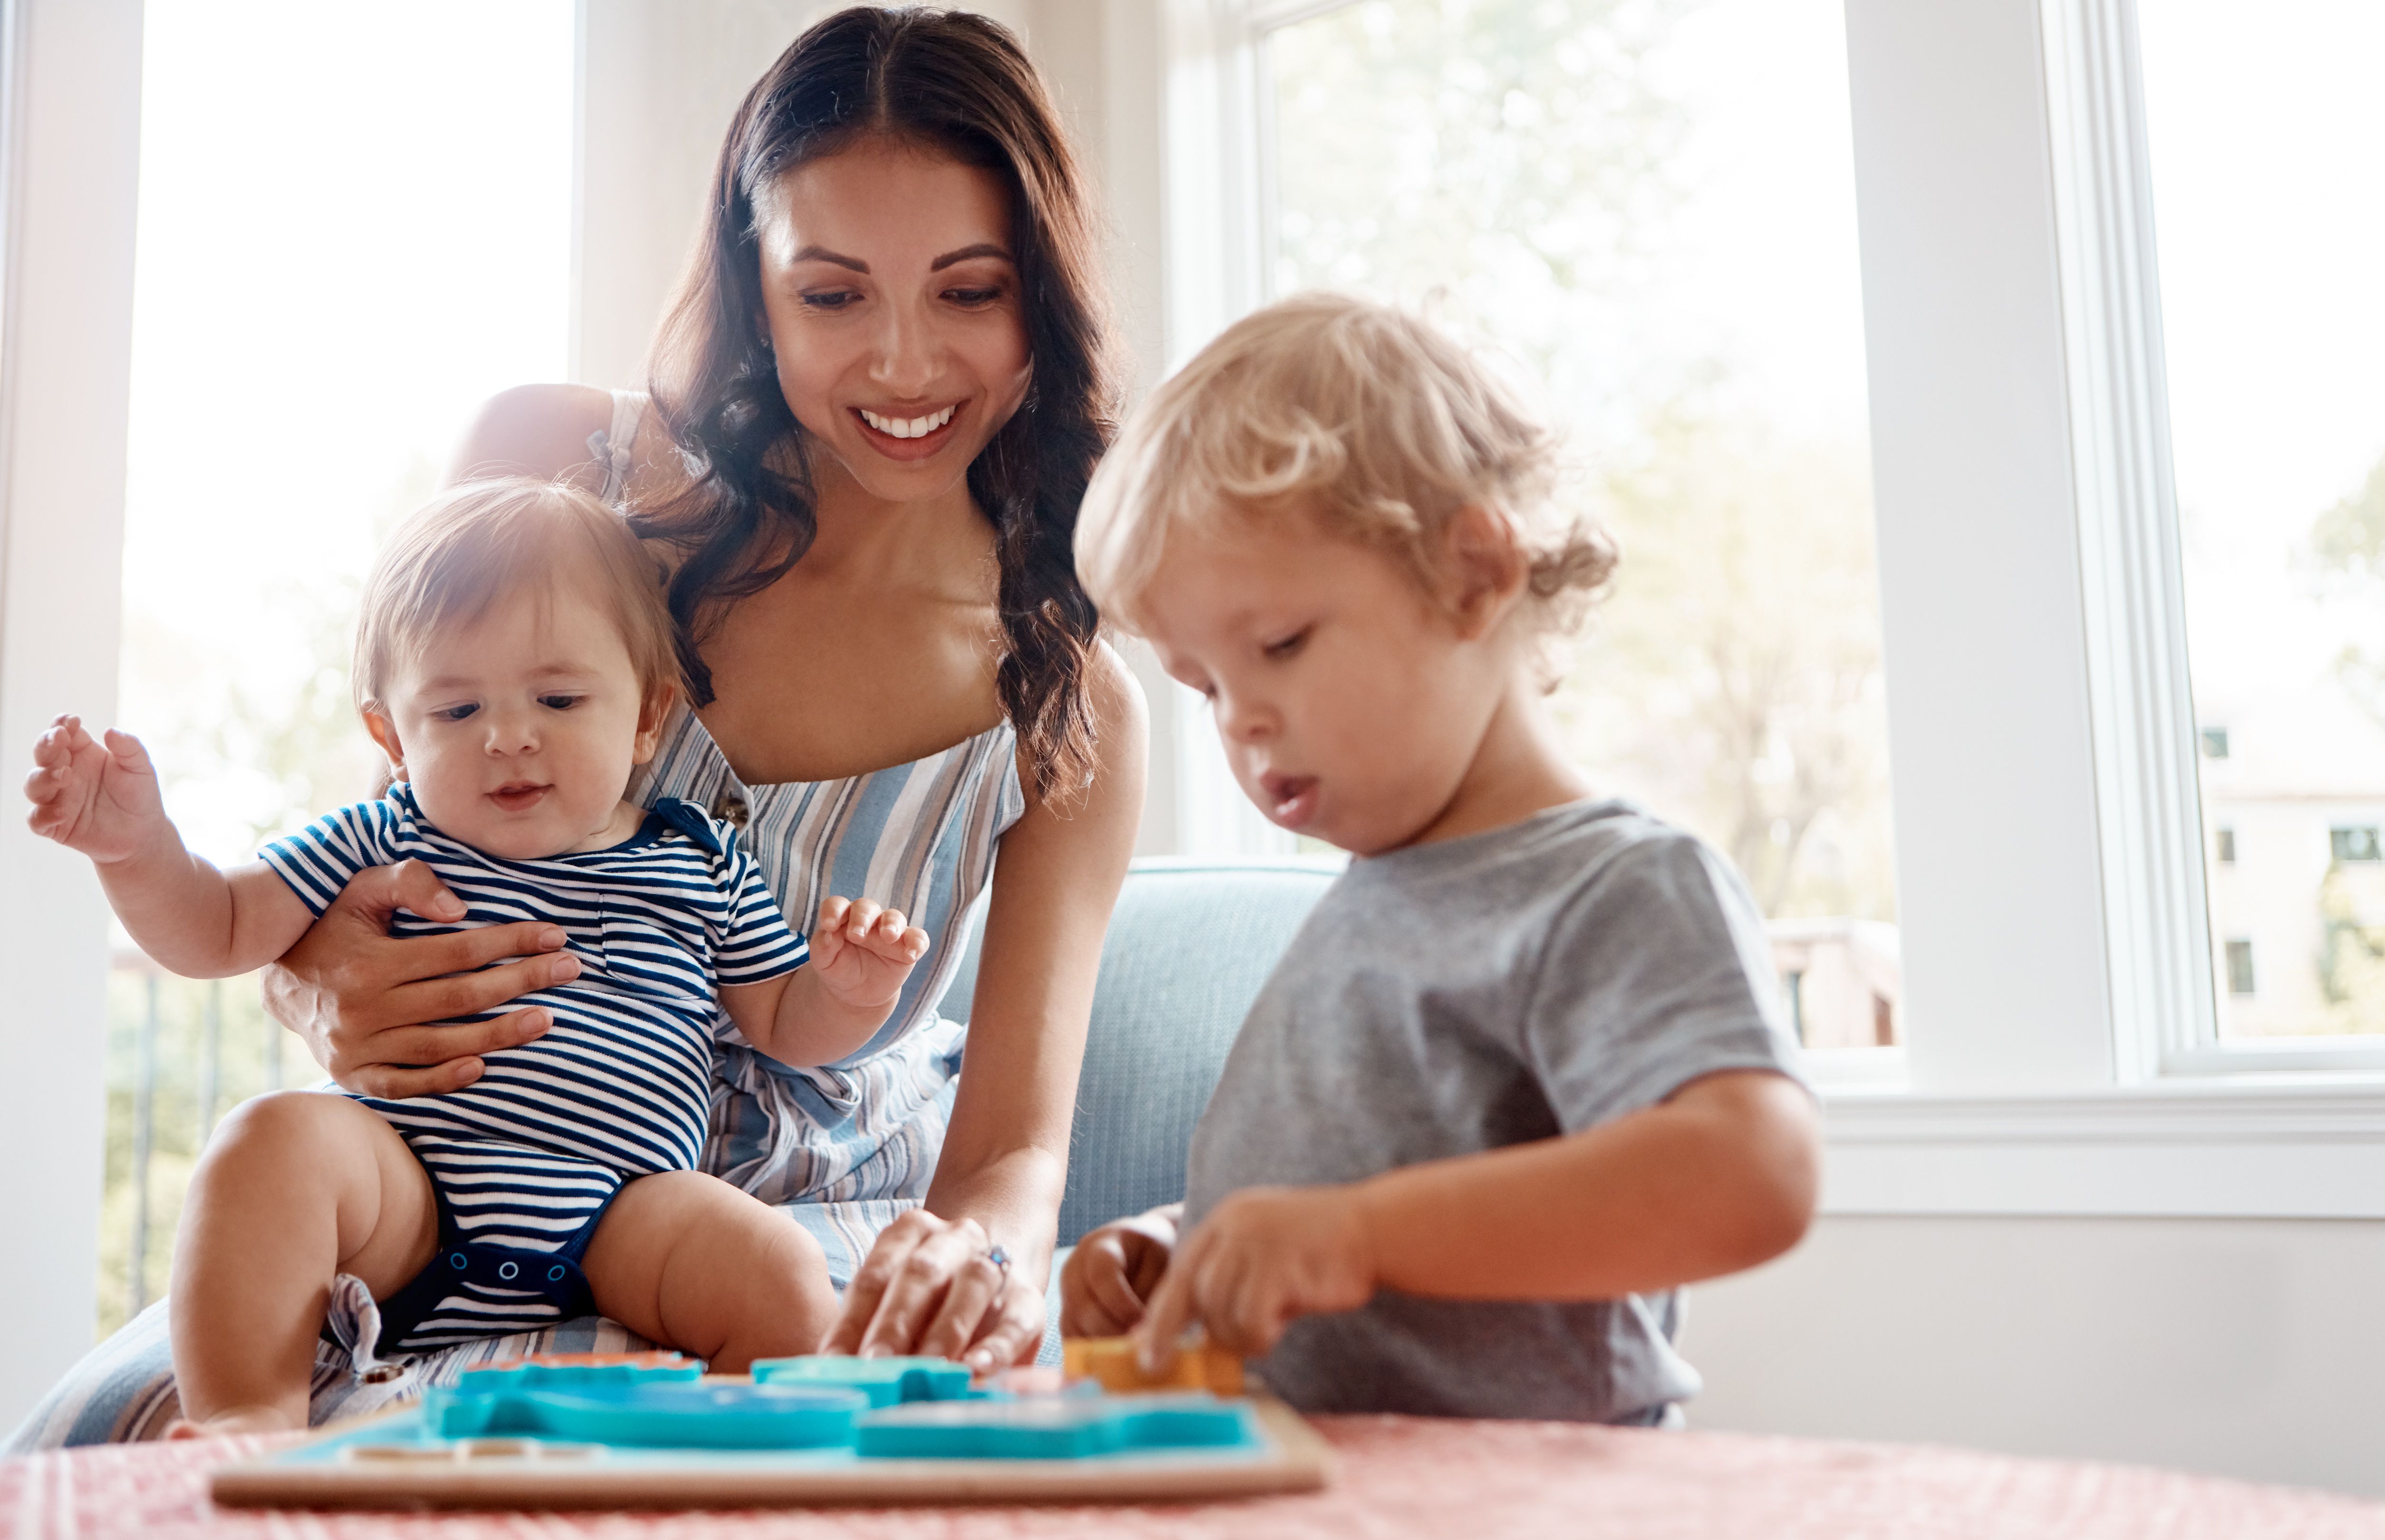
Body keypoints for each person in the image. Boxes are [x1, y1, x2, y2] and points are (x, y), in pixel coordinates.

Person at [11, 8, 1143, 1444]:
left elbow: (1013, 1153)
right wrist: (317, 983)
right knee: (109, 1435)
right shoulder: (555, 472)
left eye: (968, 293)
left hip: (788, 1247)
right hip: (440, 1187)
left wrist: (968, 1259)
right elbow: (359, 880)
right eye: (834, 295)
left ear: (1041, 296)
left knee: (739, 1448)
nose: (905, 366)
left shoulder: (1062, 705)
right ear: (756, 287)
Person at [26, 481, 937, 1435]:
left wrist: (849, 987)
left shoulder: (698, 860)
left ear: (646, 717)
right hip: (408, 1197)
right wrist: (136, 850)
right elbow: (213, 927)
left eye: (558, 697)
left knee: (776, 1268)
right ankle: (245, 1422)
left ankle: (734, 1450)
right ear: (390, 734)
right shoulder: (385, 834)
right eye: (456, 711)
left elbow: (787, 1028)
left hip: (622, 1218)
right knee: (268, 1144)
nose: (508, 735)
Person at [1059, 293, 1819, 1423]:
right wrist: (1192, 1247)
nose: (1241, 722)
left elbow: (1754, 1173)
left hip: (1537, 1499)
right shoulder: (1365, 902)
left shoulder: (1611, 885)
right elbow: (1345, 1202)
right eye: (1206, 686)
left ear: (1472, 574)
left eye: (1279, 646)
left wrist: (1356, 1237)